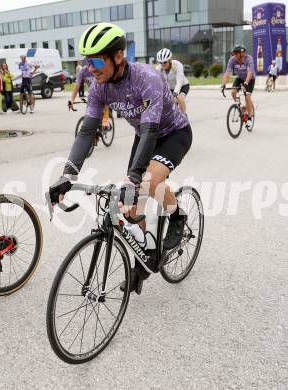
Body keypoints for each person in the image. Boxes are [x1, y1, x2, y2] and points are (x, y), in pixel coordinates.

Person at [49, 22, 193, 293]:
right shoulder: (99, 87)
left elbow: (152, 130)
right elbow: (87, 132)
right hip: (145, 135)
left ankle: (177, 216)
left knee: (149, 181)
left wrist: (134, 178)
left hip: (172, 133)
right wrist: (68, 175)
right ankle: (147, 255)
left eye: (95, 60)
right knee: (128, 209)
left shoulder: (147, 77)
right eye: (86, 61)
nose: (90, 68)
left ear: (118, 56)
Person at [221, 44, 256, 130]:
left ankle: (250, 117)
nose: (235, 55)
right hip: (240, 78)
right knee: (233, 92)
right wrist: (223, 84)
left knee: (247, 96)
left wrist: (246, 82)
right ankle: (241, 108)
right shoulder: (232, 60)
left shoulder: (249, 59)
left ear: (242, 53)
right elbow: (227, 72)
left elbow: (250, 72)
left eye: (237, 53)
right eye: (234, 53)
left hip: (250, 79)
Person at [156, 48, 190, 114]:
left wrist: (176, 93)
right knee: (170, 104)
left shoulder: (178, 65)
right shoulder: (158, 68)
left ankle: (183, 117)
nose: (163, 64)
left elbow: (179, 81)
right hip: (170, 88)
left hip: (183, 86)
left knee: (180, 98)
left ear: (170, 60)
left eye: (165, 62)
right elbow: (156, 83)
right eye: (160, 62)